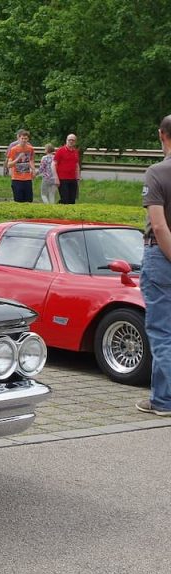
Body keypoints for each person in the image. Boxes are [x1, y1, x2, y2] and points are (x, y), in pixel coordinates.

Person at [136, 114, 171, 417]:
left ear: (161, 135)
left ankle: (163, 400)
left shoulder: (157, 172)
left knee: (162, 331)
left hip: (162, 257)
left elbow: (159, 227)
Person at [6, 129, 35, 203]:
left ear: (28, 139)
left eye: (25, 138)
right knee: (19, 201)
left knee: (29, 201)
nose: (24, 140)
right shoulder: (14, 149)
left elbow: (31, 160)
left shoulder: (30, 149)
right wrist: (18, 158)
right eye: (22, 138)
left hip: (28, 178)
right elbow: (9, 165)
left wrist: (34, 170)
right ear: (18, 138)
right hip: (17, 179)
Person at [53, 133, 81, 204]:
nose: (71, 141)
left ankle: (70, 213)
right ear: (66, 140)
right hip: (62, 178)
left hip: (72, 178)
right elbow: (53, 164)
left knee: (72, 200)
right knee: (65, 199)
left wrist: (78, 177)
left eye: (73, 140)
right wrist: (56, 178)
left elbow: (77, 164)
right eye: (69, 140)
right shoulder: (60, 151)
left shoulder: (75, 152)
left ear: (75, 142)